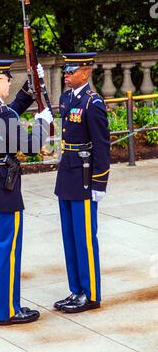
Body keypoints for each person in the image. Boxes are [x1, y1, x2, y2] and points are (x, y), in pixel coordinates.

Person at [0, 59, 53, 325]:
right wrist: (42, 123)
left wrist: (32, 87)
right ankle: (9, 311)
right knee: (8, 248)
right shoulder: (1, 114)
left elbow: (10, 112)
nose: (9, 83)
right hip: (5, 185)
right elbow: (30, 146)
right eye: (7, 80)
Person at [44, 53, 110, 313]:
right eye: (66, 70)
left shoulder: (93, 103)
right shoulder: (66, 97)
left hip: (84, 177)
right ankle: (76, 290)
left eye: (71, 71)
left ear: (86, 73)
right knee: (70, 237)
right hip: (67, 175)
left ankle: (91, 292)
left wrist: (99, 183)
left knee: (84, 238)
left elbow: (102, 146)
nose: (66, 74)